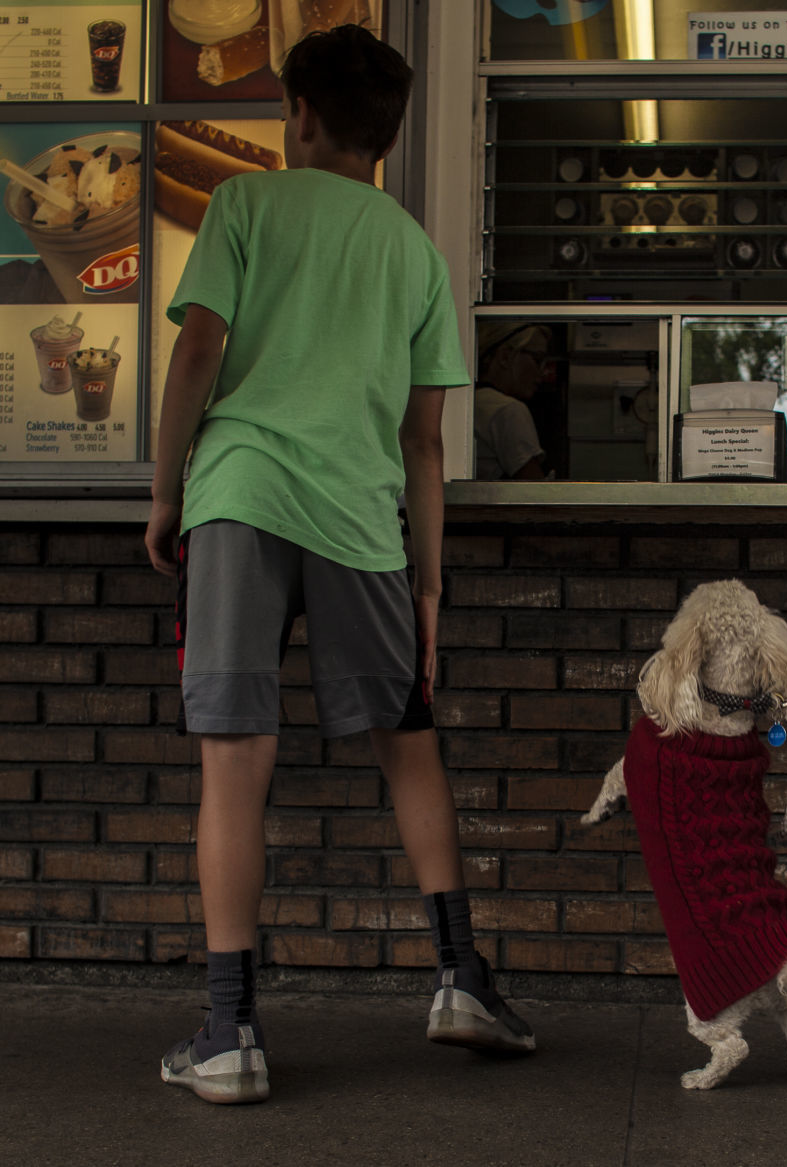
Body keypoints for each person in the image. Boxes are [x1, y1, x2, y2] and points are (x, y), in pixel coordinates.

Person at [144, 26, 534, 1106]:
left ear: (299, 115)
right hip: (365, 521)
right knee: (408, 745)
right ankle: (461, 980)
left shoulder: (246, 207)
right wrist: (428, 587)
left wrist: (168, 493)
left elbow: (194, 352)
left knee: (236, 759)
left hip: (240, 497)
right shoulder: (413, 250)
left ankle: (228, 1034)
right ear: (391, 133)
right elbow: (424, 444)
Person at [474, 321, 551, 479]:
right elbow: (535, 493)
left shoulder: (469, 402)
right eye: (537, 359)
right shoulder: (507, 410)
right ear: (505, 356)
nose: (543, 372)